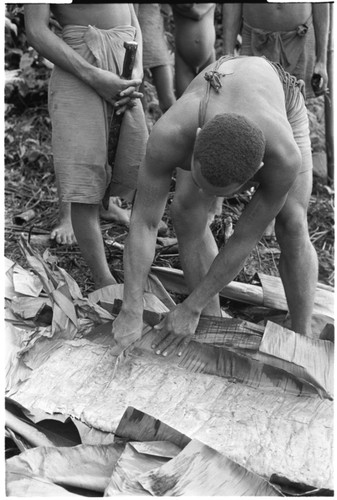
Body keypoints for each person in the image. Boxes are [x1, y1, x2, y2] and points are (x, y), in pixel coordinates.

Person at [112, 55, 318, 355]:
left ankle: (302, 335)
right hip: (217, 91)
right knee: (185, 212)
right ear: (196, 143)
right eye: (198, 178)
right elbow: (144, 222)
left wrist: (189, 306)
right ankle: (212, 322)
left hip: (281, 99)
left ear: (256, 172)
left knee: (293, 223)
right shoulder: (171, 133)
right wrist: (131, 308)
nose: (202, 190)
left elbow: (244, 238)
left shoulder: (283, 158)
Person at [24, 4, 148, 287]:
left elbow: (132, 16)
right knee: (84, 177)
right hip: (80, 66)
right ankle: (103, 278)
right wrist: (93, 74)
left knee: (135, 164)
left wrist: (138, 68)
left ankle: (137, 266)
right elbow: (36, 30)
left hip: (125, 67)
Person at [222, 3, 329, 99]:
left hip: (299, 39)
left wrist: (321, 61)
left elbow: (321, 3)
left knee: (296, 108)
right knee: (252, 105)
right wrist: (227, 56)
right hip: (255, 40)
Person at [135, 3, 176, 114]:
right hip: (132, 34)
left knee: (168, 102)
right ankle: (144, 130)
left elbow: (168, 10)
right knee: (138, 103)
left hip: (153, 32)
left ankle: (170, 130)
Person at [171, 3, 216, 98]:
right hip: (183, 56)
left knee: (210, 101)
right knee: (183, 102)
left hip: (208, 55)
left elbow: (197, 13)